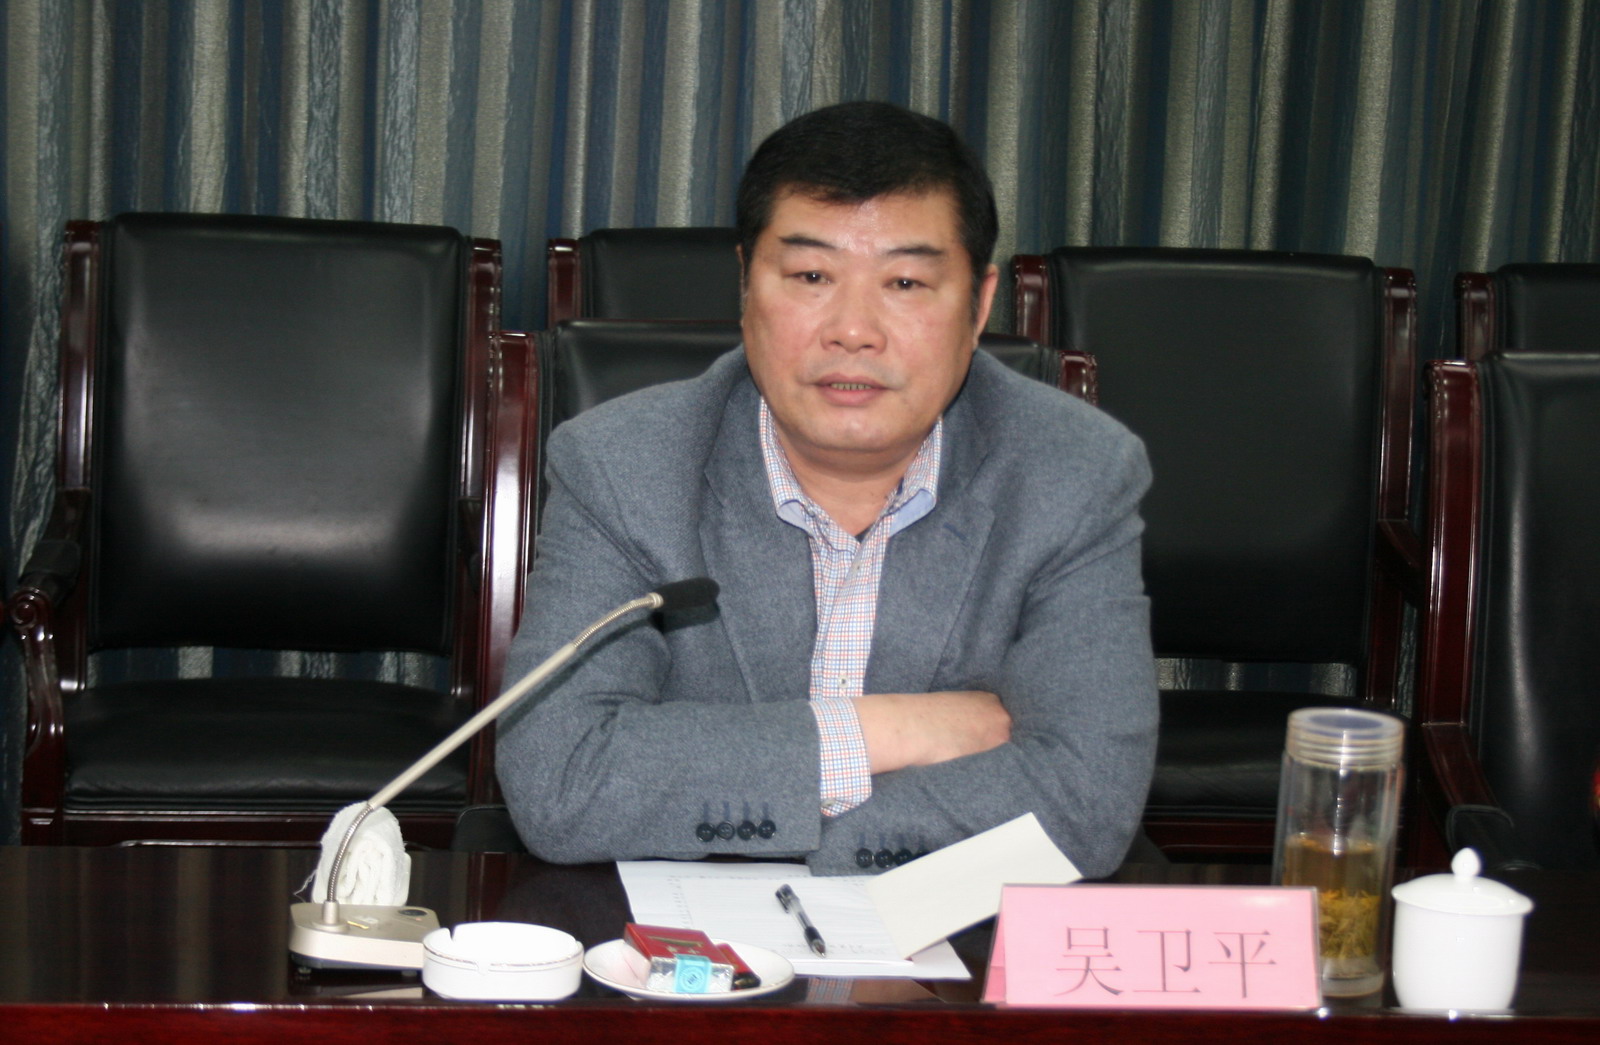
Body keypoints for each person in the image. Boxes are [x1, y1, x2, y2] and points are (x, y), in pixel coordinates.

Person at [496, 100, 1157, 876]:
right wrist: (892, 732)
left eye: (905, 281)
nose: (853, 329)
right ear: (746, 286)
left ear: (978, 307)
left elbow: (1087, 800)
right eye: (811, 275)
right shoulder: (623, 465)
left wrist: (818, 836)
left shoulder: (1073, 473)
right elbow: (559, 779)